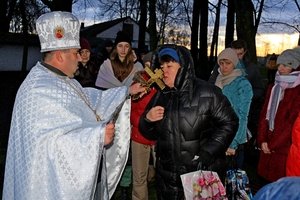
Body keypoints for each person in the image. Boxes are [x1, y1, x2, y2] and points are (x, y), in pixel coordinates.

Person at [2, 11, 146, 200]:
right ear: (61, 56)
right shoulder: (37, 89)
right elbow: (48, 145)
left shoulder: (61, 80)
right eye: (76, 53)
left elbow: (90, 100)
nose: (80, 58)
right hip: (42, 188)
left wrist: (126, 91)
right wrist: (96, 136)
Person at [139, 44, 239, 199]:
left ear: (183, 67)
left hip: (200, 173)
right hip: (167, 178)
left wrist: (208, 153)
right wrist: (147, 120)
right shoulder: (161, 95)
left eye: (169, 65)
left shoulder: (207, 92)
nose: (163, 70)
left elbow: (229, 123)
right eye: (161, 65)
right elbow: (148, 133)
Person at [95, 30, 144, 199]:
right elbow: (100, 93)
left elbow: (142, 90)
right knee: (108, 153)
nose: (123, 49)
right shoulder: (106, 66)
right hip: (111, 116)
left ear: (130, 49)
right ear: (116, 48)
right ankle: (107, 186)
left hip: (130, 116)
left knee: (127, 154)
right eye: (120, 46)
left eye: (127, 46)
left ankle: (124, 187)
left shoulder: (137, 67)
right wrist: (123, 92)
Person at [256, 48, 300, 182]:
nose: (280, 68)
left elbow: (292, 123)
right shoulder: (273, 87)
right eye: (279, 64)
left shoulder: (297, 91)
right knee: (265, 184)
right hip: (267, 144)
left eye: (285, 65)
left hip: (284, 148)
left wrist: (273, 145)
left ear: (294, 66)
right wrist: (262, 140)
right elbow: (264, 114)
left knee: (281, 187)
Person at [214, 48, 253, 169]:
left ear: (235, 63)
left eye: (228, 63)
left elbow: (242, 115)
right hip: (217, 133)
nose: (224, 66)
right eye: (221, 63)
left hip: (234, 137)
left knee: (232, 179)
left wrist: (233, 143)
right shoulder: (218, 80)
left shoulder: (243, 84)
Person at [131, 51, 157, 200]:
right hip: (139, 135)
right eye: (147, 65)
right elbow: (131, 110)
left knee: (161, 173)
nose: (149, 69)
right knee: (139, 176)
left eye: (153, 65)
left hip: (158, 136)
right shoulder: (137, 83)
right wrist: (142, 122)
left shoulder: (162, 86)